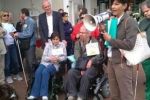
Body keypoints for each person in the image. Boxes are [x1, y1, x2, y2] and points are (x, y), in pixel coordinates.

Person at [101, 0, 139, 100]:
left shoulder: (130, 21)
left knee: (126, 94)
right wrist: (103, 33)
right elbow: (108, 42)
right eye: (112, 4)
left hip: (122, 63)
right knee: (114, 94)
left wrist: (110, 40)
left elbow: (130, 44)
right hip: (110, 60)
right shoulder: (112, 20)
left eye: (117, 4)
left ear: (125, 6)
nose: (113, 6)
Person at [65, 25, 103, 100]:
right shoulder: (77, 43)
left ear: (88, 34)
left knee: (86, 74)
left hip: (93, 66)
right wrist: (83, 67)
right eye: (80, 32)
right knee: (71, 72)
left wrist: (91, 60)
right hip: (80, 65)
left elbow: (99, 55)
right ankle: (72, 94)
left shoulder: (93, 41)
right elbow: (77, 56)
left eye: (83, 33)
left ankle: (81, 96)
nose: (81, 34)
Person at [27, 33, 67, 100]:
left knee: (45, 72)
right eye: (54, 39)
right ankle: (34, 94)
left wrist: (58, 59)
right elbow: (44, 57)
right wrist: (50, 58)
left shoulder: (62, 45)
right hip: (45, 63)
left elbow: (65, 57)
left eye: (57, 39)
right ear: (51, 40)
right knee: (38, 72)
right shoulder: (48, 45)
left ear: (59, 39)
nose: (55, 41)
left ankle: (44, 94)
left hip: (55, 64)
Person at [14, 8, 37, 79]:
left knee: (31, 63)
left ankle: (34, 78)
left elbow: (28, 33)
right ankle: (31, 78)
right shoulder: (25, 21)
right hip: (26, 44)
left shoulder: (30, 21)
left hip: (30, 45)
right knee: (28, 63)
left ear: (23, 14)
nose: (20, 15)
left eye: (20, 13)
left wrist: (18, 34)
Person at [0, 10, 22, 84]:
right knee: (7, 63)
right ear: (1, 16)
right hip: (5, 46)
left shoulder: (11, 25)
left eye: (7, 15)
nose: (6, 17)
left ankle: (16, 74)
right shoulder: (1, 25)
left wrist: (14, 35)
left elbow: (16, 34)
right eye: (4, 15)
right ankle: (8, 76)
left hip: (12, 46)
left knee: (16, 61)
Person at [139, 0, 150, 99]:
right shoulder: (142, 23)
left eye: (147, 10)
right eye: (144, 12)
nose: (146, 13)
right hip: (147, 58)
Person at [0, 19, 6, 85]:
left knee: (2, 66)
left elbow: (5, 32)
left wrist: (2, 33)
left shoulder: (1, 25)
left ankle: (2, 81)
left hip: (2, 49)